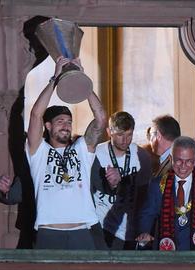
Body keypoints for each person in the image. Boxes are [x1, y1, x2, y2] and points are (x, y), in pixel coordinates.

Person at [26, 56, 106, 249]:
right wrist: (55, 79)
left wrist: (81, 80)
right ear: (48, 125)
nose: (66, 126)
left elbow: (101, 118)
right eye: (60, 121)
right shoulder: (38, 151)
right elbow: (36, 114)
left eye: (69, 122)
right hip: (48, 233)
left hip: (81, 232)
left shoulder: (81, 149)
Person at [91, 111, 152, 250]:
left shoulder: (141, 156)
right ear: (109, 132)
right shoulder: (96, 154)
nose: (125, 140)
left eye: (129, 134)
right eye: (120, 135)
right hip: (102, 227)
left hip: (131, 229)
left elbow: (146, 195)